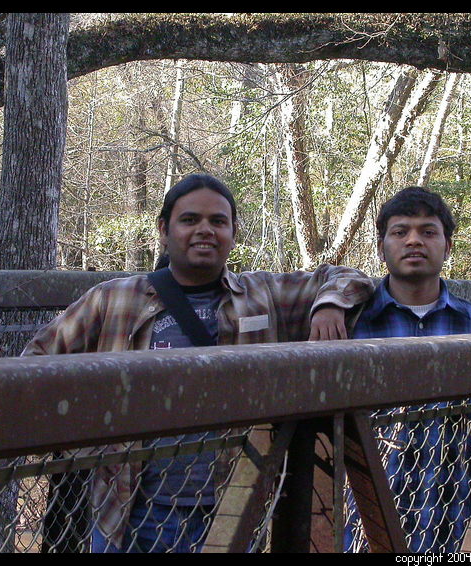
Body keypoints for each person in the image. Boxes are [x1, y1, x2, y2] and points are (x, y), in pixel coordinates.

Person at [22, 173, 375, 553]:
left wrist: (328, 305)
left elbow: (349, 278)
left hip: (233, 509)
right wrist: (86, 444)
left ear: (233, 232)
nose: (205, 230)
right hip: (130, 512)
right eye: (190, 220)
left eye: (218, 221)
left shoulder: (262, 295)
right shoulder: (113, 299)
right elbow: (35, 363)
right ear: (164, 230)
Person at [339, 186, 471, 553]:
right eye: (400, 231)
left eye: (428, 231)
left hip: (463, 519)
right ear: (381, 247)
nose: (414, 241)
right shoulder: (351, 326)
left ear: (447, 246)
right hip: (368, 522)